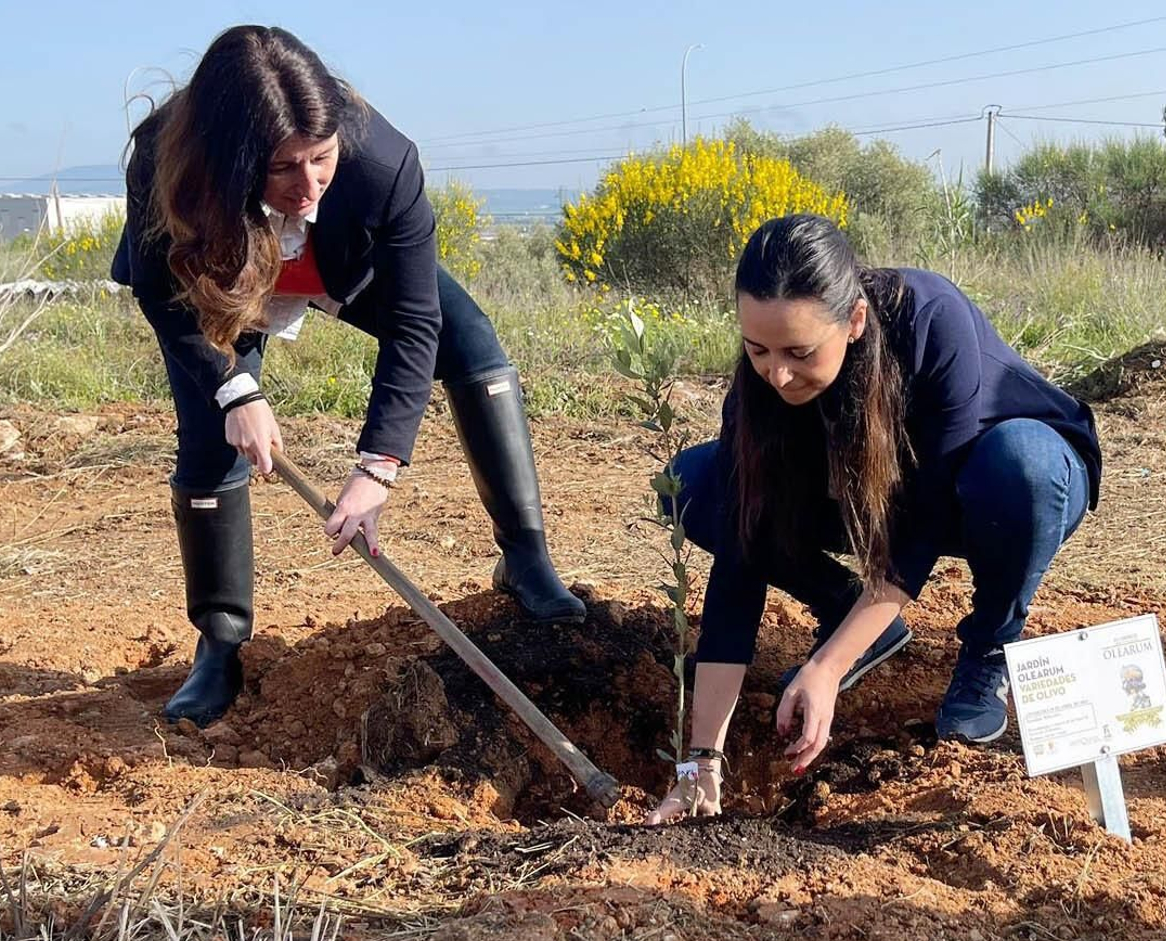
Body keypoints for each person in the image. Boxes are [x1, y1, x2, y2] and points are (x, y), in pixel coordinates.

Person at [112, 25, 584, 728]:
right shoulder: (165, 160)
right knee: (212, 442)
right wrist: (236, 386)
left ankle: (527, 561)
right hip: (226, 275)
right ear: (231, 157)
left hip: (339, 267)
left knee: (474, 345)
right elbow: (160, 290)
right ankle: (219, 643)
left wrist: (378, 465)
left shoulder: (384, 162)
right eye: (283, 168)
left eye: (321, 159)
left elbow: (417, 321)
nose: (308, 187)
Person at [647, 214, 1102, 824]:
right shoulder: (761, 388)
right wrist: (700, 762)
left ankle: (989, 651)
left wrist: (827, 668)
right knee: (700, 486)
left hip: (995, 492)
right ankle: (857, 619)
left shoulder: (931, 322)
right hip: (879, 497)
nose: (777, 373)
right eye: (758, 349)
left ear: (854, 320)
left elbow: (919, 526)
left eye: (800, 352)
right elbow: (741, 554)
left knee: (1019, 465)